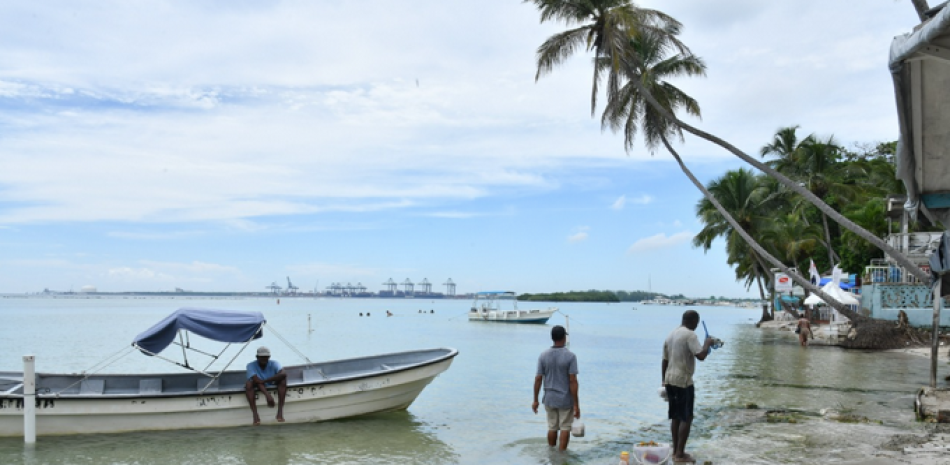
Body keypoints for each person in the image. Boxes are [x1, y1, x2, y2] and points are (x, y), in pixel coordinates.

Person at [662, 310, 713, 463]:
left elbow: (664, 360)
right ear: (693, 321)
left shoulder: (671, 334)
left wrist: (663, 381)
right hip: (683, 381)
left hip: (669, 380)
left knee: (675, 416)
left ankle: (675, 451)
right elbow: (701, 355)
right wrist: (707, 344)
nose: (696, 326)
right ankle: (680, 454)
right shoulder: (690, 335)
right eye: (696, 323)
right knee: (686, 417)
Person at [532, 325, 580, 451]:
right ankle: (561, 456)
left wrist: (535, 400)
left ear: (552, 338)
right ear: (564, 338)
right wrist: (576, 404)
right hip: (565, 399)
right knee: (565, 427)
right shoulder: (570, 356)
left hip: (549, 398)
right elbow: (573, 381)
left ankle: (551, 453)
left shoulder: (543, 356)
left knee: (552, 427)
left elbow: (538, 379)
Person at [245, 346, 287, 425]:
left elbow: (284, 374)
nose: (264, 359)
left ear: (269, 357)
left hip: (270, 382)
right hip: (258, 384)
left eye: (266, 357)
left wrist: (265, 380)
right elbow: (257, 380)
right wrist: (268, 396)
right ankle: (255, 414)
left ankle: (280, 411)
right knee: (248, 384)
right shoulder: (250, 365)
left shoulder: (274, 363)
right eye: (261, 357)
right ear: (257, 357)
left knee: (283, 380)